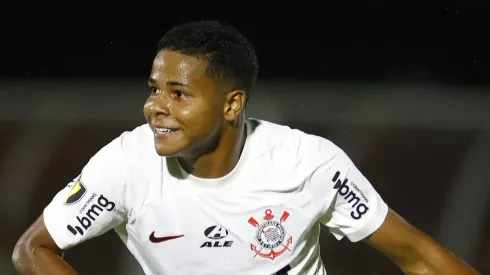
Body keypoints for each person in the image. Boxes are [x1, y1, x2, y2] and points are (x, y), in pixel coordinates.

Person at [12, 20, 480, 275]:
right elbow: (33, 250)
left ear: (232, 104)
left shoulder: (307, 163)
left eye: (179, 93)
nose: (155, 106)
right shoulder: (126, 163)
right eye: (154, 88)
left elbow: (419, 257)